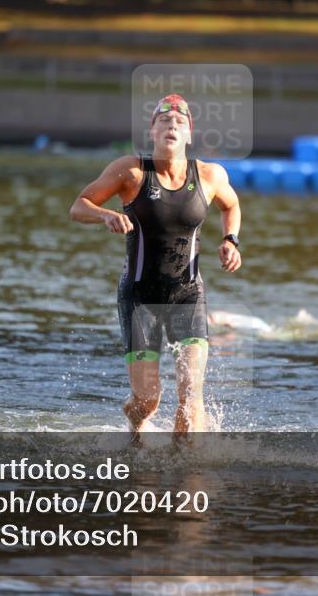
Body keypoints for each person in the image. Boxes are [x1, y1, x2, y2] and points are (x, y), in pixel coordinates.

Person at [70, 93, 242, 441]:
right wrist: (106, 214)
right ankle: (135, 422)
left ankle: (188, 474)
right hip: (140, 298)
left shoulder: (209, 175)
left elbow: (231, 205)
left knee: (191, 397)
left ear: (189, 134)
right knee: (148, 399)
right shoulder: (131, 170)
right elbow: (79, 205)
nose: (172, 126)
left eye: (180, 122)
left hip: (188, 295)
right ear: (153, 131)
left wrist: (231, 240)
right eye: (164, 121)